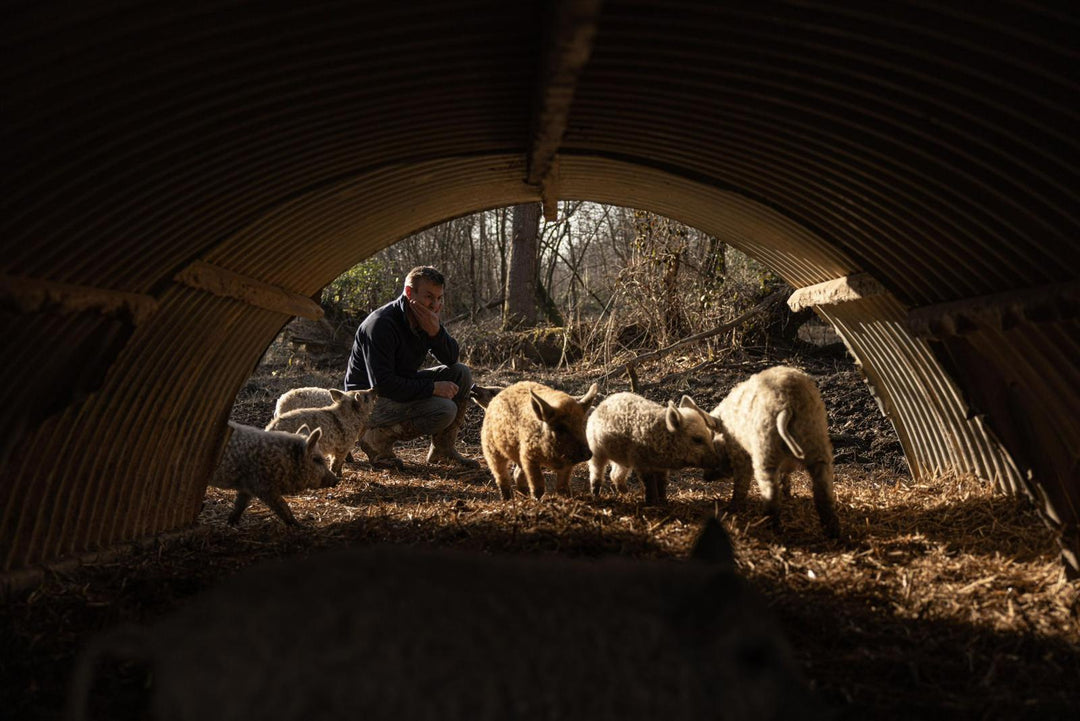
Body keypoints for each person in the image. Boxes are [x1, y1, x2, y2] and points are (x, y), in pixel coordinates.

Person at [344, 266, 478, 469]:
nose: (435, 305)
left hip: (397, 387)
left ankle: (443, 451)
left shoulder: (424, 319)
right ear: (409, 293)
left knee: (461, 373)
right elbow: (384, 385)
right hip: (366, 402)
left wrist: (436, 333)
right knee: (444, 409)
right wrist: (432, 388)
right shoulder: (381, 324)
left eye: (440, 298)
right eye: (429, 297)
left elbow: (451, 358)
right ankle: (376, 439)